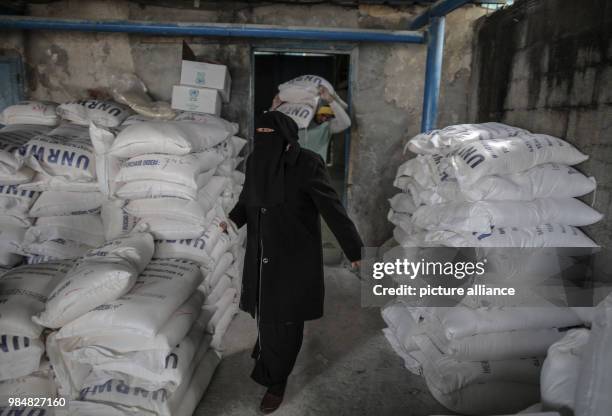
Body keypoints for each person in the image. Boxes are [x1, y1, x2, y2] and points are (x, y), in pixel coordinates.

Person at [220, 111, 363, 414]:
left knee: (285, 320)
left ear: (285, 138)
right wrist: (232, 220)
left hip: (293, 256)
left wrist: (356, 252)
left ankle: (276, 380)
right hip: (261, 253)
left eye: (269, 135)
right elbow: (247, 200)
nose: (263, 141)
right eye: (259, 135)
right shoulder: (256, 161)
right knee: (265, 311)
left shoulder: (307, 164)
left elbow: (333, 210)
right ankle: (268, 350)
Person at [272, 86, 351, 162]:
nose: (324, 119)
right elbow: (270, 126)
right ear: (315, 112)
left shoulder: (327, 127)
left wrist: (330, 100)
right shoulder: (297, 122)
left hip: (316, 171)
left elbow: (346, 123)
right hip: (294, 168)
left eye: (328, 117)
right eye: (322, 115)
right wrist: (273, 108)